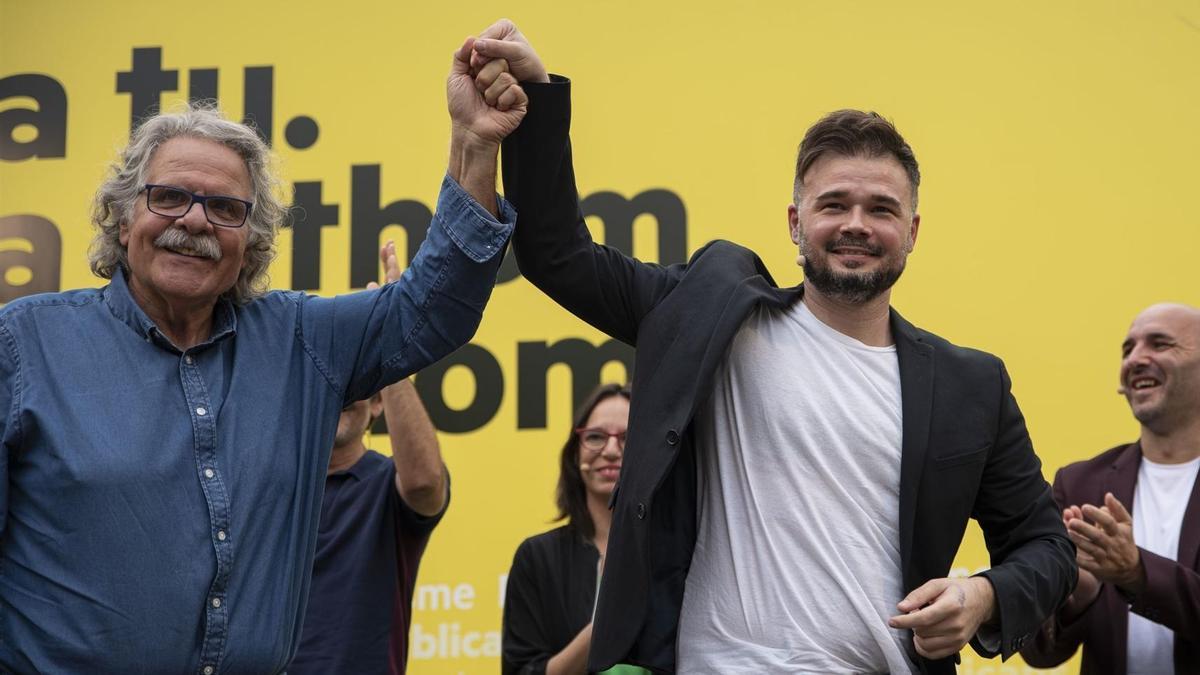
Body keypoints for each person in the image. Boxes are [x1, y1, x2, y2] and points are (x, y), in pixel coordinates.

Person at [468, 21, 1075, 674]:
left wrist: (980, 595)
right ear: (794, 221)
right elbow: (557, 254)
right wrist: (535, 99)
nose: (855, 225)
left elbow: (1046, 546)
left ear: (913, 229)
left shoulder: (970, 385)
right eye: (833, 203)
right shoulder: (709, 315)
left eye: (881, 209)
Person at [0, 36, 528, 672]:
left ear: (251, 245)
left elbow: (432, 309)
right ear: (120, 217)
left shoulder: (303, 341)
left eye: (225, 209)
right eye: (168, 197)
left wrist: (474, 144)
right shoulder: (23, 346)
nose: (194, 221)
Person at [291, 246, 449, 675]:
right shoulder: (272, 484)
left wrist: (390, 340)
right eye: (332, 378)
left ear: (378, 404)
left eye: (359, 380)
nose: (343, 391)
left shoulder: (386, 485)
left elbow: (423, 484)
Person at [1021, 303, 1200, 674]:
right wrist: (1078, 596)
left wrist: (1137, 573)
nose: (1135, 359)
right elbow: (1038, 651)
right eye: (1127, 349)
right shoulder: (1080, 484)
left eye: (1160, 344)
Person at [502, 383, 640, 675]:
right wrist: (607, 619)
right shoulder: (538, 558)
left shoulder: (677, 551)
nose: (612, 450)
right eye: (595, 437)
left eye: (628, 438)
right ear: (575, 454)